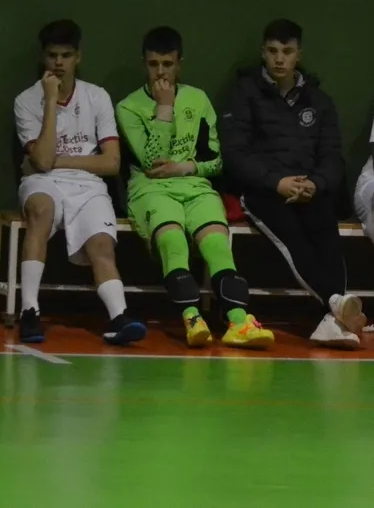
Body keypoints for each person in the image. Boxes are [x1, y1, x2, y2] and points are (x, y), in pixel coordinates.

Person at [115, 26, 274, 349]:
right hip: (151, 189)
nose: (161, 72)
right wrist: (164, 108)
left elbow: (215, 160)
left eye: (168, 64)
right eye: (153, 64)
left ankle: (239, 322)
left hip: (195, 186)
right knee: (173, 240)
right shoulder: (129, 107)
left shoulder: (198, 100)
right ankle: (192, 318)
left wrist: (185, 167)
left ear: (180, 64)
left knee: (216, 244)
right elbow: (152, 162)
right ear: (144, 64)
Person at [220, 18, 364, 349]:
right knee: (291, 233)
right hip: (263, 191)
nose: (279, 59)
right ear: (263, 52)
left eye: (287, 51)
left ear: (298, 54)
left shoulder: (320, 101)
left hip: (308, 190)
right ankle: (336, 305)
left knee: (324, 222)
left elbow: (331, 157)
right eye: (272, 51)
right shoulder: (244, 94)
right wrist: (277, 182)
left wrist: (315, 184)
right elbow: (235, 154)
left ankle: (332, 319)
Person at [13, 19, 146, 346]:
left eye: (66, 55)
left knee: (101, 244)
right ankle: (29, 311)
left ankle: (119, 317)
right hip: (43, 182)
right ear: (43, 58)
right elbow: (42, 164)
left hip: (89, 186)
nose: (59, 63)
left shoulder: (97, 97)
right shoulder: (26, 101)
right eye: (52, 55)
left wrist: (56, 160)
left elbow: (111, 163)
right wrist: (50, 101)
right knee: (41, 211)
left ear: (78, 57)